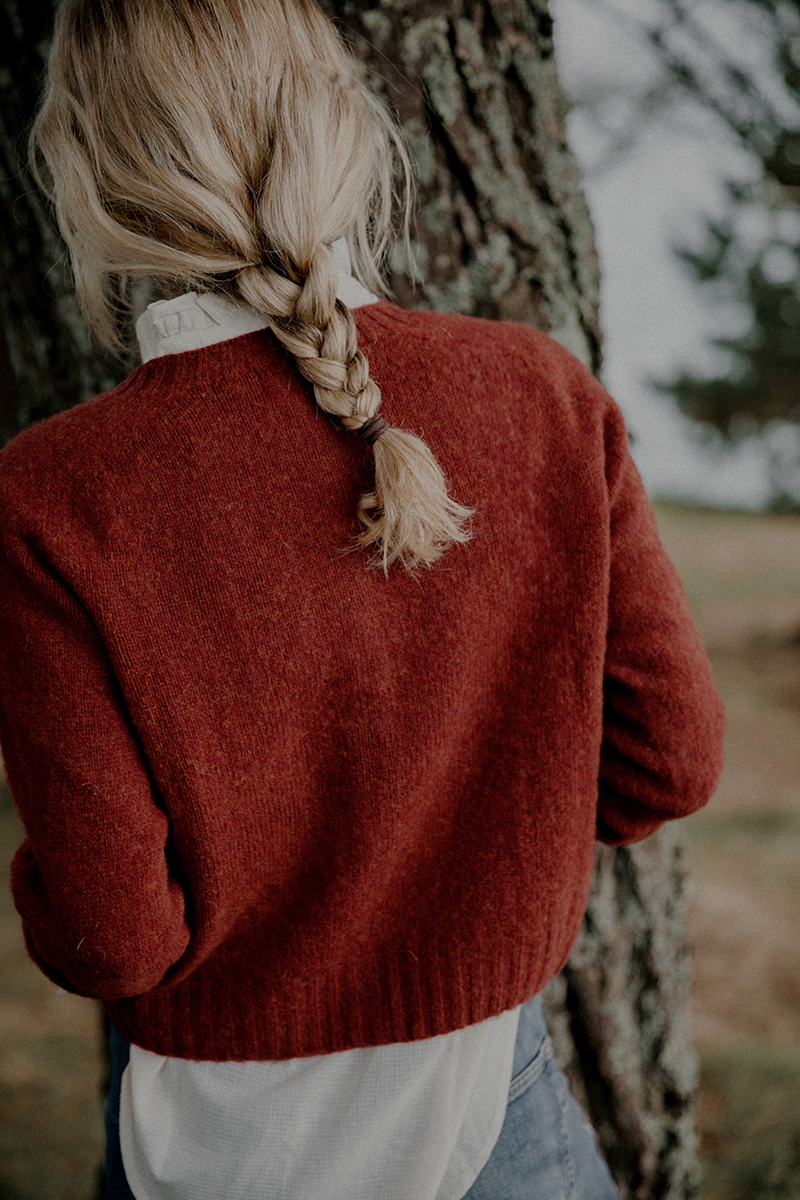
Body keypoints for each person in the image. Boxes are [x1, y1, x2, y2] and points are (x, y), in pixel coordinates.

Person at [0, 1, 725, 1197]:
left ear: (89, 170)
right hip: (498, 1125)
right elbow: (673, 762)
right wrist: (484, 827)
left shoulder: (52, 496)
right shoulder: (538, 395)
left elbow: (114, 937)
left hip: (213, 1150)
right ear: (341, 122)